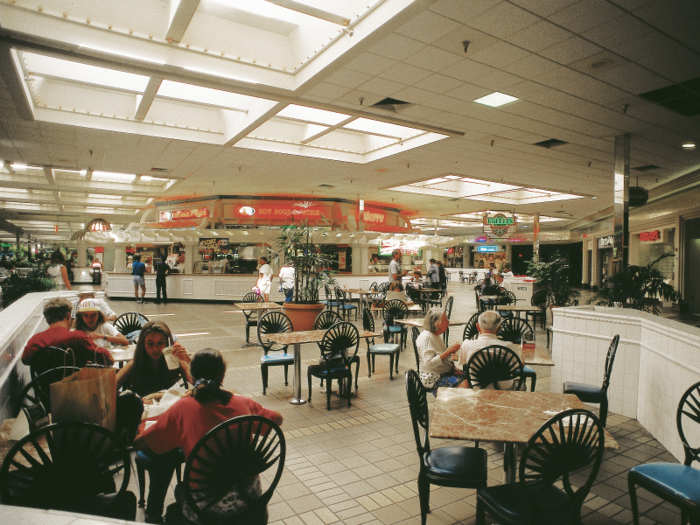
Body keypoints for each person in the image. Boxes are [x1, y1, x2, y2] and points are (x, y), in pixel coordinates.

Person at [133, 349, 283, 524]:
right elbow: (277, 419)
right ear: (223, 375)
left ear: (191, 375)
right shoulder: (242, 402)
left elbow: (140, 444)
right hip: (250, 498)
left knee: (180, 490)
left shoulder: (182, 408)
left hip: (208, 508)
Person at [22, 297, 115, 369]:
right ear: (68, 315)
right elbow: (109, 360)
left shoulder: (34, 340)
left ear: (47, 319)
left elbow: (26, 360)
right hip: (76, 389)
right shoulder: (77, 337)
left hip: (46, 390)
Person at [116, 320, 192, 396]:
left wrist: (187, 360)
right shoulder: (134, 364)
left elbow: (199, 383)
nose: (155, 348)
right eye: (150, 344)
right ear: (142, 344)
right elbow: (111, 389)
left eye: (160, 343)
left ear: (167, 343)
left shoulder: (174, 361)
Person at [457, 310, 523, 390]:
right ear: (499, 329)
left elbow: (463, 363)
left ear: (477, 327)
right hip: (505, 389)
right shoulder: (508, 346)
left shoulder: (466, 345)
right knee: (521, 383)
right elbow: (520, 366)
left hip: (479, 387)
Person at [415, 307, 468, 392]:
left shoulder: (435, 335)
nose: (448, 322)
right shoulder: (427, 338)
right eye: (445, 320)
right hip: (433, 377)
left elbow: (441, 357)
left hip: (443, 372)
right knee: (465, 385)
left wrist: (453, 368)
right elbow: (429, 363)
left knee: (472, 377)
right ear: (437, 323)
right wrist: (449, 351)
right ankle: (452, 404)